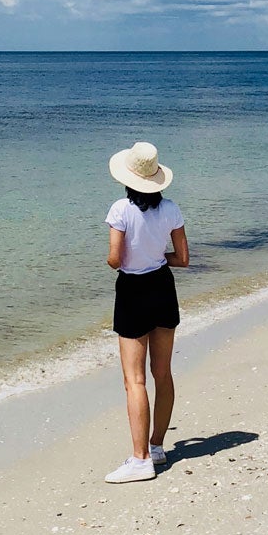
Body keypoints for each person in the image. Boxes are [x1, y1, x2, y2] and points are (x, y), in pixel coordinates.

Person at [102, 141, 189, 484]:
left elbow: (115, 259)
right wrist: (156, 257)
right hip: (163, 287)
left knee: (134, 380)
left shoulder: (120, 210)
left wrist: (124, 258)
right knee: (162, 373)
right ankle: (156, 447)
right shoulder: (170, 209)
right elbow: (183, 258)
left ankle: (139, 460)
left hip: (133, 291)